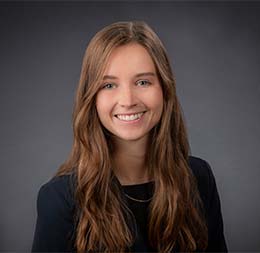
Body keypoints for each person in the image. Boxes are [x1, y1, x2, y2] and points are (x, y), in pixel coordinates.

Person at [31, 20, 228, 252]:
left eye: (143, 82)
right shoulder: (59, 199)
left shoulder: (198, 178)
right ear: (91, 97)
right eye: (108, 85)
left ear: (165, 90)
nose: (128, 100)